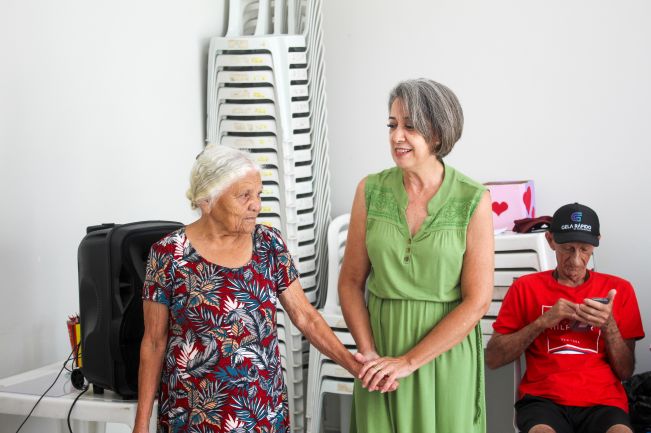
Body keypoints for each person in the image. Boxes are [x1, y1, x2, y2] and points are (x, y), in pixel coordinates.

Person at [132, 144, 376, 433]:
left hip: (261, 413)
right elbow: (154, 342)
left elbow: (306, 317)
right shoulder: (169, 254)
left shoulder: (268, 244)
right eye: (244, 195)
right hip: (192, 417)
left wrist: (354, 365)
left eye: (258, 194)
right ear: (207, 200)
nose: (256, 205)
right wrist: (141, 424)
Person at [338, 78, 494, 432]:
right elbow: (350, 282)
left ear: (438, 133)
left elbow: (477, 301)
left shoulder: (473, 198)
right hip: (380, 347)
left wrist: (409, 361)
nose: (397, 136)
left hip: (443, 354)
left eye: (410, 126)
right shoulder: (370, 190)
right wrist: (369, 354)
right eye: (392, 125)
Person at [486, 202, 645, 433]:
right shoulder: (525, 288)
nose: (576, 260)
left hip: (604, 401)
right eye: (567, 249)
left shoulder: (620, 289)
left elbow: (625, 371)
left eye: (584, 249)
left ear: (596, 242)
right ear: (551, 241)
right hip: (543, 400)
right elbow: (493, 358)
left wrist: (608, 325)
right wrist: (542, 322)